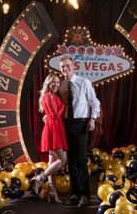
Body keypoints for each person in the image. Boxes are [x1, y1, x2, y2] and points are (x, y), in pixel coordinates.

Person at [58, 55, 100, 208]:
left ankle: (86, 196)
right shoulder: (62, 84)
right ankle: (75, 193)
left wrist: (93, 119)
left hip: (80, 123)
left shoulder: (84, 82)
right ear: (60, 68)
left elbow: (94, 103)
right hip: (66, 124)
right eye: (63, 67)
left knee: (80, 160)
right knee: (71, 160)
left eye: (68, 65)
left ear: (73, 66)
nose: (65, 68)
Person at [31, 73, 68, 203]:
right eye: (53, 82)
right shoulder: (48, 96)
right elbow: (53, 115)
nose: (56, 85)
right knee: (63, 160)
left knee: (52, 163)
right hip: (53, 131)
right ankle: (40, 178)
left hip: (55, 129)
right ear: (48, 84)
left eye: (58, 82)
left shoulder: (52, 96)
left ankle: (52, 192)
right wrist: (64, 105)